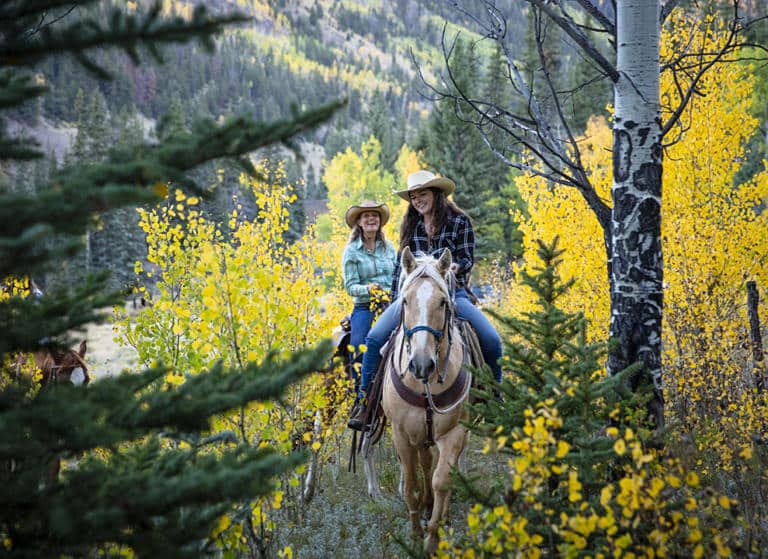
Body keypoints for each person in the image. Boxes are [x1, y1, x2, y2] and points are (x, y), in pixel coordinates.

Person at [348, 170, 503, 430]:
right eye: (414, 196)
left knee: (491, 339)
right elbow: (401, 267)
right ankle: (366, 405)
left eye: (423, 194)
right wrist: (397, 302)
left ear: (436, 194)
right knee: (374, 339)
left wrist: (454, 269)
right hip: (411, 297)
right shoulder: (412, 225)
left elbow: (466, 258)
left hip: (451, 294)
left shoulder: (459, 222)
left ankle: (494, 401)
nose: (418, 200)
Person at [341, 200, 397, 393]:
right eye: (366, 216)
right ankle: (361, 395)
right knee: (357, 346)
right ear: (358, 222)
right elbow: (350, 287)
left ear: (380, 221)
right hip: (365, 307)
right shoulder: (351, 251)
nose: (371, 218)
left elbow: (398, 276)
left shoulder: (389, 248)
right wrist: (368, 289)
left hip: (391, 305)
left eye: (375, 215)